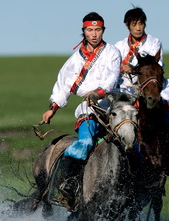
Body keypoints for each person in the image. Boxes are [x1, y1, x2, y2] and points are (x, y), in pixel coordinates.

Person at [42, 12, 121, 200]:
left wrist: (98, 93)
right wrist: (52, 108)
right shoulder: (75, 59)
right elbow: (63, 85)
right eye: (90, 30)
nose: (94, 34)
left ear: (103, 30)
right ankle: (68, 181)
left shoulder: (112, 52)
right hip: (89, 111)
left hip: (112, 108)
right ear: (84, 31)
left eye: (98, 30)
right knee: (85, 143)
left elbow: (111, 79)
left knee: (132, 140)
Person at [115, 7, 169, 176]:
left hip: (150, 85)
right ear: (128, 26)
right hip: (126, 87)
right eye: (134, 24)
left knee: (167, 108)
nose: (138, 28)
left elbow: (152, 64)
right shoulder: (118, 46)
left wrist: (132, 68)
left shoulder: (154, 42)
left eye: (141, 23)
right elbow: (113, 67)